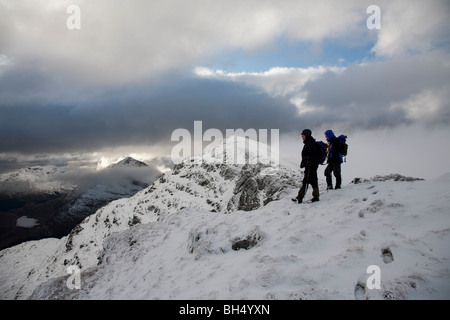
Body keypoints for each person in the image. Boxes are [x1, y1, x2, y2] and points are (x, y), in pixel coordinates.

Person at [292, 129, 320, 203]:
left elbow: (313, 155)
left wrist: (308, 161)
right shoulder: (309, 143)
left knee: (307, 181)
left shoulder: (310, 143)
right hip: (310, 165)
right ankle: (315, 196)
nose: (302, 137)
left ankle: (301, 197)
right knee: (312, 181)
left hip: (311, 166)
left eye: (303, 135)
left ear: (306, 135)